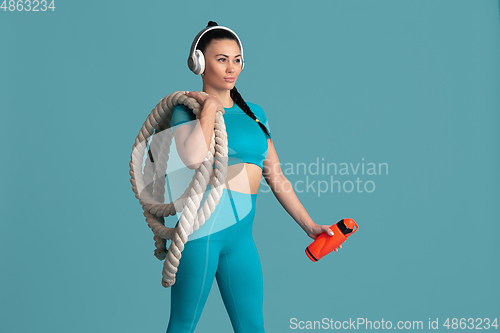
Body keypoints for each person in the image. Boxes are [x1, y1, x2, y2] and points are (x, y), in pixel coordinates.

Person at [165, 21, 342, 333]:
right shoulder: (186, 110)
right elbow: (191, 157)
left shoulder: (255, 113)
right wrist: (208, 109)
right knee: (182, 326)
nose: (231, 68)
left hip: (241, 240)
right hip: (198, 236)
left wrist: (310, 226)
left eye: (236, 59)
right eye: (221, 59)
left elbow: (276, 175)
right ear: (200, 63)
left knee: (252, 327)